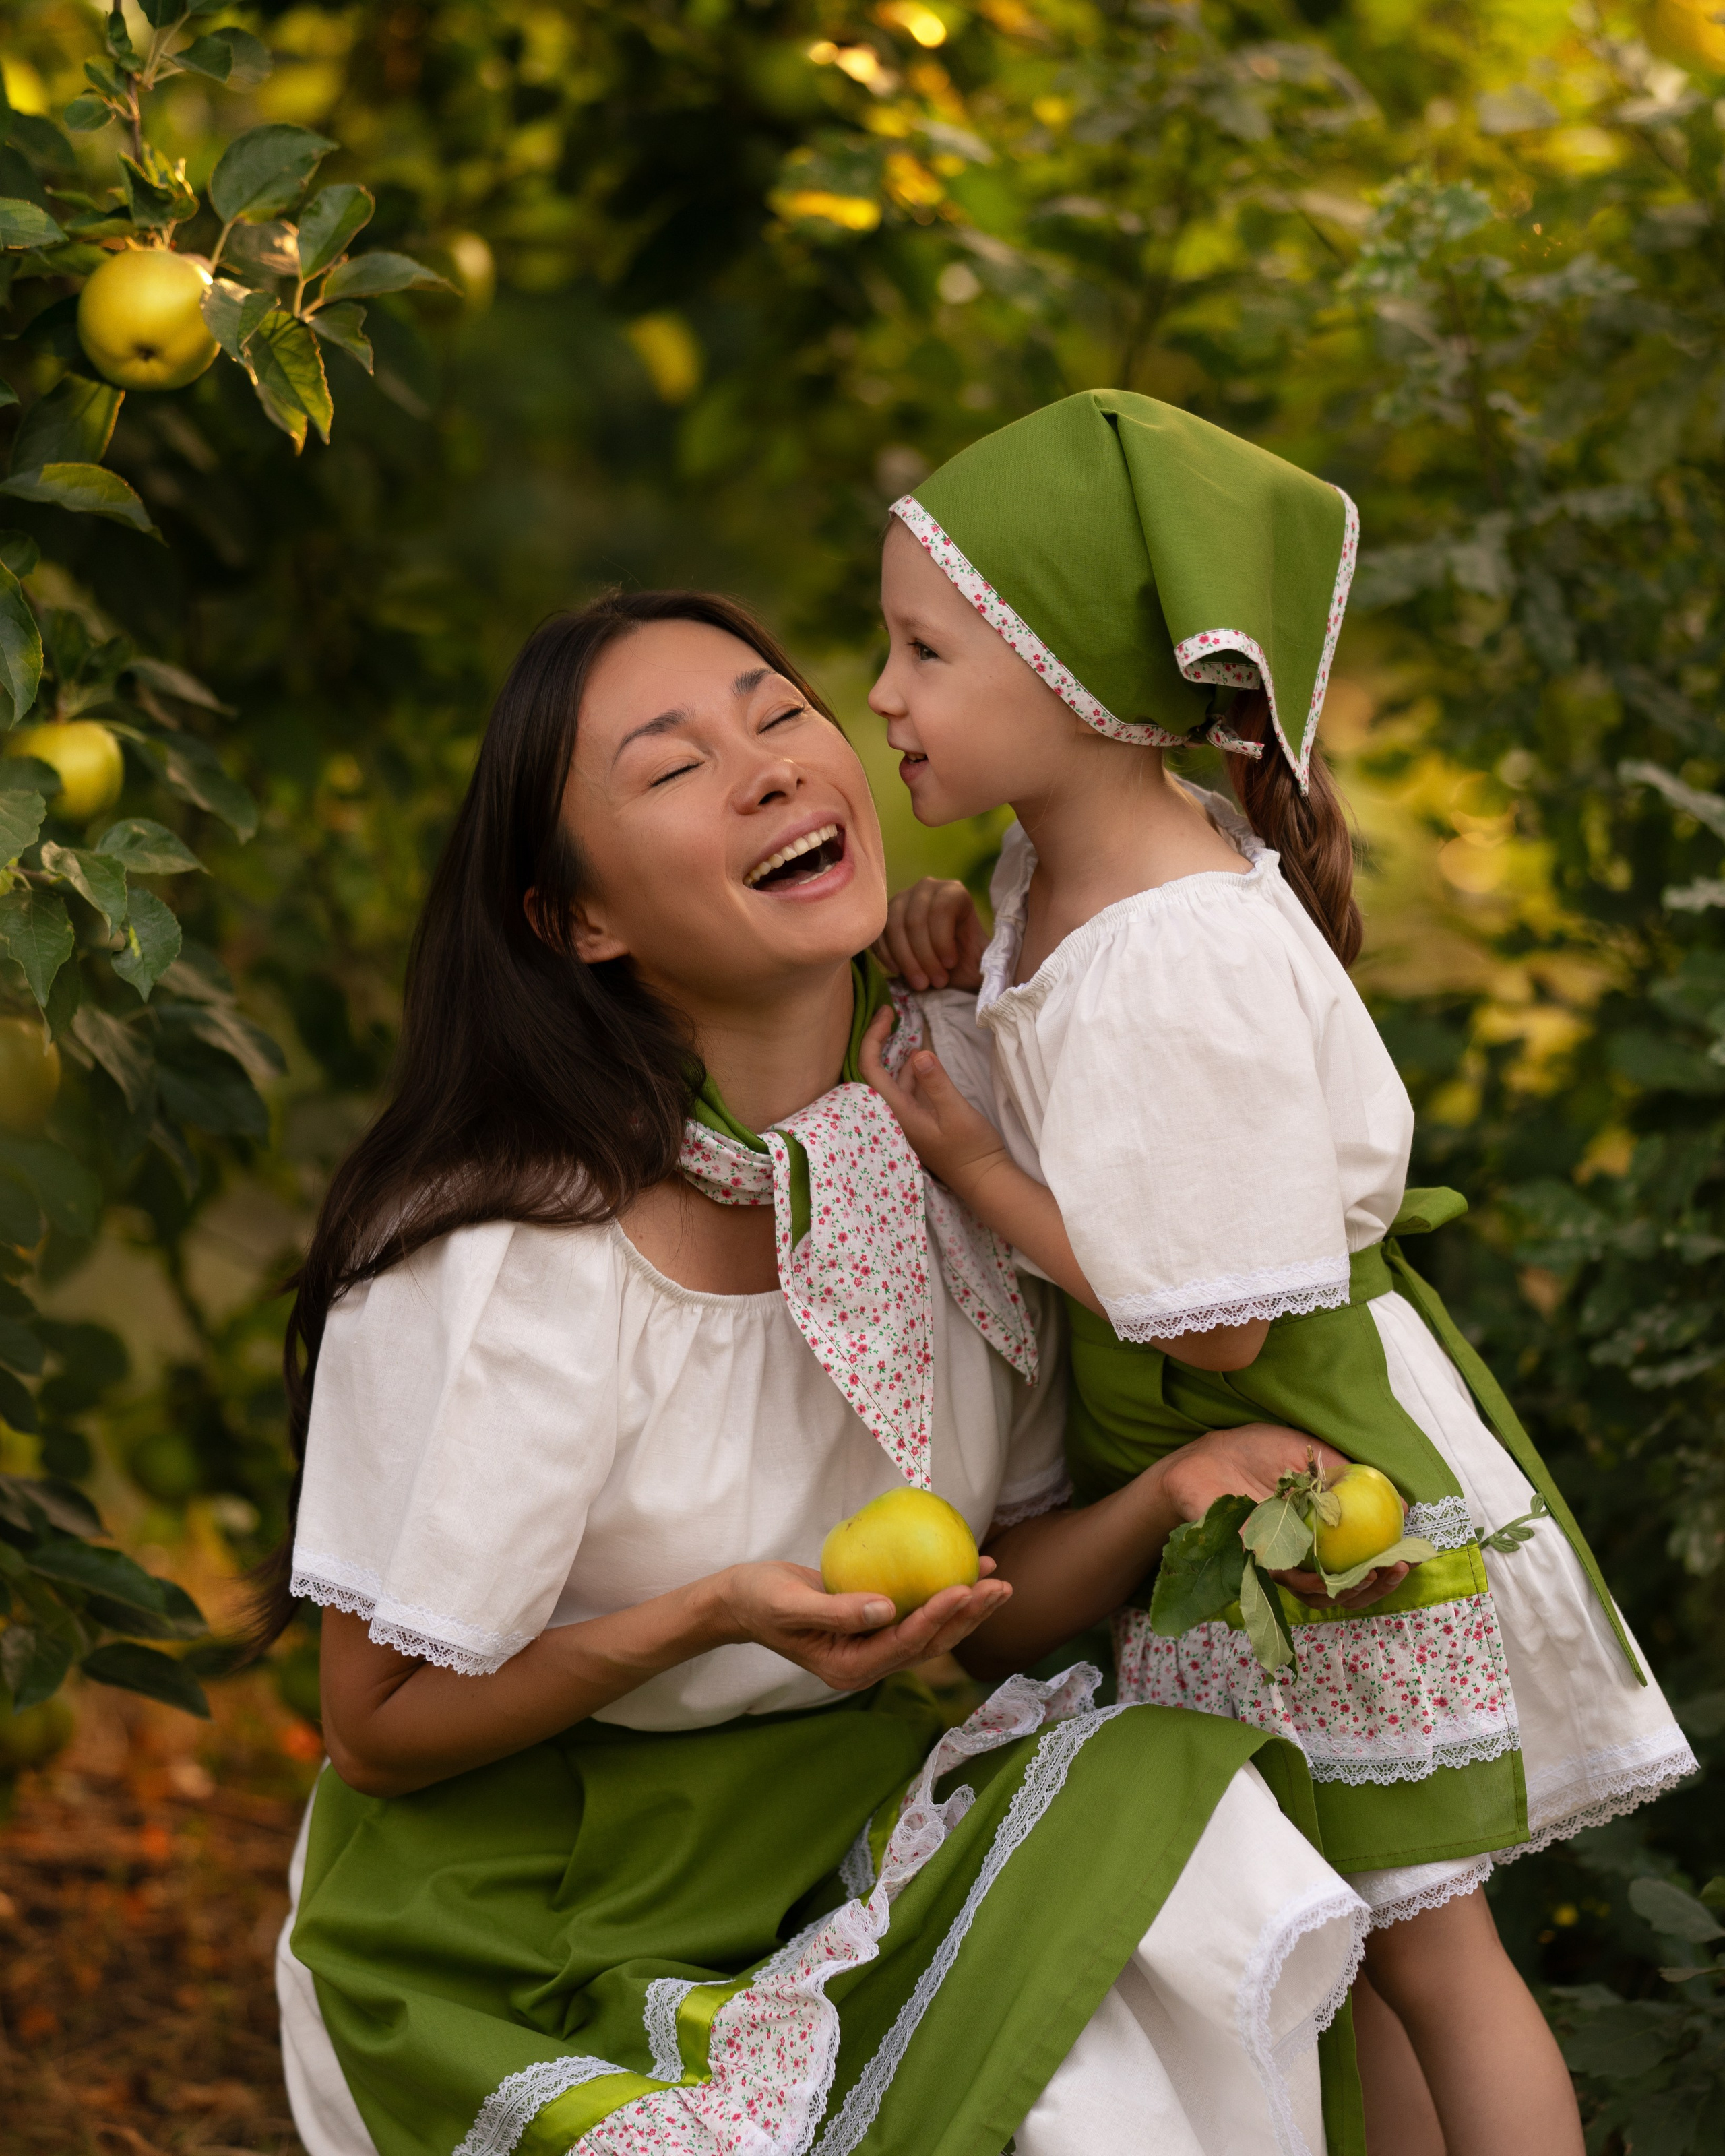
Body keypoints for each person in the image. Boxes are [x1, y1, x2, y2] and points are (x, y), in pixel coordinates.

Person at [261, 586, 1375, 2156]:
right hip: (530, 1893)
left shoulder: (953, 1119)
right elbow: (374, 1722)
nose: (772, 766)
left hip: (846, 1819)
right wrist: (703, 1616)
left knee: (1186, 1899)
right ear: (577, 919)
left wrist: (1173, 1495)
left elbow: (991, 1598)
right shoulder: (501, 1253)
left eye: (779, 713)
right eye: (670, 766)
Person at [858, 389, 1699, 2156]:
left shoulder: (1172, 946)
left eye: (924, 652)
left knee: (1436, 1944)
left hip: (1318, 1488)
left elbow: (1222, 1316)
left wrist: (977, 1167)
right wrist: (950, 951)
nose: (883, 696)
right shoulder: (1054, 873)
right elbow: (1066, 1070)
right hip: (1240, 1512)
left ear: (1071, 682)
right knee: (1346, 1932)